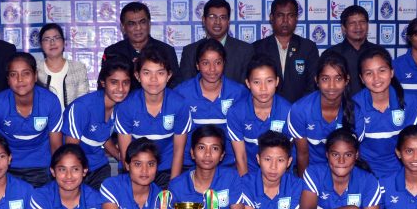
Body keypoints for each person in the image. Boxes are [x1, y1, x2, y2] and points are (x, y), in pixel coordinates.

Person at [0, 52, 63, 188]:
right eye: (13, 74)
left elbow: (56, 146)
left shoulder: (50, 101)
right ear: (8, 79)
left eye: (26, 73)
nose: (20, 79)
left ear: (35, 75)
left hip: (42, 167)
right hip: (6, 168)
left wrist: (58, 176)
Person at [114, 46, 191, 188]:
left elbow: (178, 151)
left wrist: (172, 186)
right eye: (147, 73)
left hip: (167, 170)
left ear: (169, 76)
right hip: (134, 171)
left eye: (160, 73)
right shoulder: (126, 107)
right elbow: (126, 156)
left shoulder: (180, 105)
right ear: (137, 76)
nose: (154, 79)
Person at [173, 39, 248, 169]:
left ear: (224, 63)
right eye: (205, 63)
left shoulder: (239, 93)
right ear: (197, 65)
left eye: (218, 63)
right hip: (189, 165)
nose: (212, 69)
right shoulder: (181, 93)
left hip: (229, 165)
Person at [63, 56, 133, 189]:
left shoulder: (122, 107)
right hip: (74, 169)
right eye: (114, 82)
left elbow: (101, 136)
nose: (120, 88)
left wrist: (123, 159)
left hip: (99, 166)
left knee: (107, 202)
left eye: (125, 82)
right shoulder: (82, 107)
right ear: (103, 82)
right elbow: (70, 152)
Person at [353, 46, 417, 180]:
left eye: (382, 70)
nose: (376, 78)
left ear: (391, 72)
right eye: (369, 73)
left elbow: (414, 142)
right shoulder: (355, 105)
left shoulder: (408, 101)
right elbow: (351, 149)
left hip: (402, 171)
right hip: (365, 172)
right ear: (361, 78)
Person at [287, 50, 355, 176]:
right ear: (316, 81)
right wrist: (306, 186)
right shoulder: (300, 109)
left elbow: (354, 156)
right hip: (311, 171)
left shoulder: (355, 111)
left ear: (347, 80)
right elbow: (303, 154)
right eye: (325, 79)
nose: (332, 86)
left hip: (343, 172)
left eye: (338, 79)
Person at [227, 54, 294, 177]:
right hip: (248, 174)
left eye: (269, 81)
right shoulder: (236, 112)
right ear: (248, 83)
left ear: (277, 81)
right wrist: (247, 185)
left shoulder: (289, 111)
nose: (263, 88)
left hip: (280, 175)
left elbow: (288, 155)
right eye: (257, 82)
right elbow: (240, 157)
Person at [252, 0, 320, 102]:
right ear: (271, 17)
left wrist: (298, 109)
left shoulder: (308, 48)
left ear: (296, 18)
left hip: (300, 112)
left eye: (290, 15)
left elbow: (313, 85)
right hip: (268, 111)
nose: (285, 20)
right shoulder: (257, 48)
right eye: (280, 15)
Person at [177, 0, 254, 85]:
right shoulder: (190, 51)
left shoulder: (245, 50)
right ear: (203, 20)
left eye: (223, 17)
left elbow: (247, 88)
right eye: (212, 17)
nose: (217, 22)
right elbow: (186, 87)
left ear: (228, 21)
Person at [102, 1, 178, 72]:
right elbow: (104, 84)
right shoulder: (112, 52)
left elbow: (176, 85)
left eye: (142, 22)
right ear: (123, 27)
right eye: (131, 24)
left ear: (149, 24)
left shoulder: (166, 51)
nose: (138, 28)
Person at [36, 23, 90, 108]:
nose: (52, 43)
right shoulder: (35, 69)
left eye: (56, 38)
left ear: (64, 42)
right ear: (41, 45)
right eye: (47, 39)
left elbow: (83, 102)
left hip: (72, 119)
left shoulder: (78, 68)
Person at [328, 4, 375, 92]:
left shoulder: (378, 53)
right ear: (343, 28)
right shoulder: (331, 54)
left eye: (362, 22)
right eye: (352, 23)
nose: (358, 27)